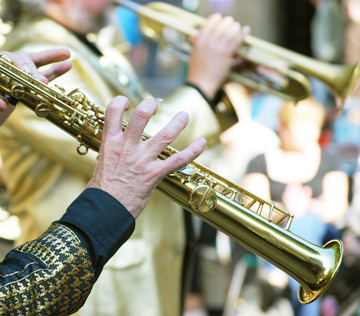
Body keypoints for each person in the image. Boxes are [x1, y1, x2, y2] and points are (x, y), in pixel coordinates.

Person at [0, 1, 249, 315]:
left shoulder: (102, 51)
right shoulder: (30, 53)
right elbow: (131, 150)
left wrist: (220, 71)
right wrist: (202, 84)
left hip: (129, 275)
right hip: (84, 281)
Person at [242, 97, 349, 316]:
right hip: (273, 238)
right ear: (283, 126)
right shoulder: (260, 161)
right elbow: (253, 208)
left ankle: (279, 278)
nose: (311, 132)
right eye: (303, 125)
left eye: (315, 125)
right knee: (300, 221)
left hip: (320, 237)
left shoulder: (329, 160)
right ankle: (305, 289)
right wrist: (288, 212)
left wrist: (304, 208)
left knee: (306, 221)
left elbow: (336, 208)